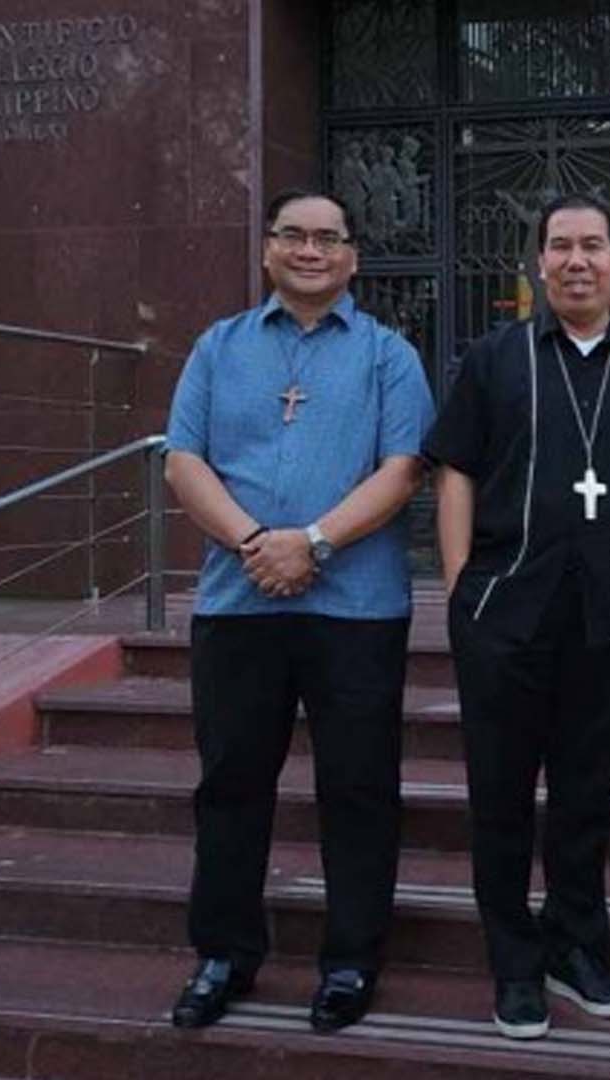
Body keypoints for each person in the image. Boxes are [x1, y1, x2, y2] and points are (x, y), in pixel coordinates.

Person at [423, 192, 610, 1040]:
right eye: (560, 246)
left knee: (588, 794)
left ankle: (574, 945)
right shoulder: (494, 360)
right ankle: (514, 962)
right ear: (539, 262)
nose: (577, 261)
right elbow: (457, 471)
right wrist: (460, 584)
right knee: (500, 795)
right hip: (503, 610)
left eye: (593, 246)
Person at [164, 188, 434, 1033]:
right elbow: (183, 462)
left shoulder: (389, 356)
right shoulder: (218, 347)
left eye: (327, 238)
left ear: (352, 257)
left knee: (358, 787)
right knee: (231, 784)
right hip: (238, 606)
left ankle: (351, 960)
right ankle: (223, 955)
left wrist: (311, 543)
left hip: (356, 610)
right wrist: (256, 543)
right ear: (267, 250)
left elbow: (403, 470)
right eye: (293, 235)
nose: (310, 250)